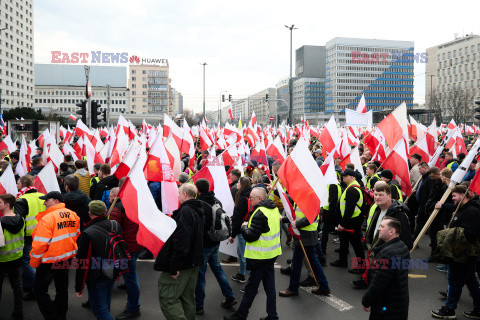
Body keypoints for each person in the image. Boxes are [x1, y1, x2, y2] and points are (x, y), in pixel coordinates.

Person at [224, 187, 281, 320]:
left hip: (260, 257)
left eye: (252, 198)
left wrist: (244, 227)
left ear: (260, 199)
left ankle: (241, 315)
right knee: (269, 288)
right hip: (271, 254)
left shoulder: (260, 212)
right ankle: (272, 316)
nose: (249, 200)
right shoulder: (274, 209)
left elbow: (251, 236)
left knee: (251, 288)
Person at [154, 184, 205, 320]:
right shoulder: (197, 209)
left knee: (168, 297)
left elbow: (182, 242)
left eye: (179, 192)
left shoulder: (186, 211)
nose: (178, 195)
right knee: (186, 298)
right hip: (193, 262)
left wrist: (174, 266)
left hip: (183, 264)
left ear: (185, 194)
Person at [431, 185, 480, 319]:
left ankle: (449, 309)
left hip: (463, 255)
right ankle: (479, 309)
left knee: (454, 282)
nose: (453, 198)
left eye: (455, 196)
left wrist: (452, 231)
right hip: (463, 254)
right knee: (471, 282)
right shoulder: (463, 209)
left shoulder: (472, 211)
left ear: (465, 195)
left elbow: (471, 234)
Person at [353, 182, 413, 289]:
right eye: (375, 194)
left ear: (389, 196)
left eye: (381, 195)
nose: (377, 197)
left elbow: (407, 241)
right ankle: (367, 281)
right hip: (375, 248)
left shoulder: (398, 214)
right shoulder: (378, 208)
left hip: (387, 254)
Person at [30, 191, 80, 320]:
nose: (44, 202)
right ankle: (61, 315)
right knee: (62, 289)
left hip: (49, 261)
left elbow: (39, 245)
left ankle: (53, 317)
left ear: (56, 201)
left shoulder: (47, 218)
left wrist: (34, 263)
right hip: (66, 258)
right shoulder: (73, 214)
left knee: (39, 291)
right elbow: (76, 235)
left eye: (47, 200)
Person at [194, 179, 237, 315]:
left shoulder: (200, 204)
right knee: (218, 270)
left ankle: (199, 305)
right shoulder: (216, 200)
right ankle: (229, 296)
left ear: (198, 190)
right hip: (215, 241)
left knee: (200, 275)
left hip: (205, 244)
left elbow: (201, 226)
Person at [75, 201, 122, 320]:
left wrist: (79, 286)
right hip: (113, 269)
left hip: (97, 275)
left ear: (90, 213)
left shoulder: (87, 233)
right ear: (105, 211)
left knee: (99, 309)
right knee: (105, 304)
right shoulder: (115, 224)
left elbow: (82, 262)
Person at [361, 217, 410, 320]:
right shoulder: (402, 247)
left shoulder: (387, 254)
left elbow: (379, 283)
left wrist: (366, 300)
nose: (378, 228)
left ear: (391, 231)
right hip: (399, 303)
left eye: (382, 226)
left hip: (385, 307)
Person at [279, 204, 331, 297]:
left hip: (305, 234)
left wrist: (296, 224)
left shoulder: (311, 199)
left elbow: (310, 217)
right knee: (312, 261)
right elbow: (297, 215)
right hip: (304, 234)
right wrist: (284, 219)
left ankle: (293, 288)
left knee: (297, 263)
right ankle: (324, 286)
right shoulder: (304, 198)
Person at [109, 187, 143, 320]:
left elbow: (113, 231)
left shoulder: (118, 208)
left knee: (130, 278)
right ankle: (133, 305)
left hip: (125, 248)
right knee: (129, 276)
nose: (109, 199)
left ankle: (133, 308)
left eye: (111, 197)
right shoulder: (137, 202)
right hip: (136, 244)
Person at [14, 174, 45, 301]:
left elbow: (18, 220)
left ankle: (35, 289)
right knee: (36, 261)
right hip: (41, 233)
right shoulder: (41, 196)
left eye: (17, 183)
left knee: (28, 262)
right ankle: (28, 285)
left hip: (28, 236)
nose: (16, 185)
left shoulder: (22, 199)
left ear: (22, 184)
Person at [331, 169, 366, 273]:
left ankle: (361, 267)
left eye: (345, 176)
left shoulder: (353, 189)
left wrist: (343, 224)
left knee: (356, 245)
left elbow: (349, 209)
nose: (343, 177)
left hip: (352, 222)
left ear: (352, 177)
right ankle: (342, 261)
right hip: (350, 221)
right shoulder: (351, 187)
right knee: (344, 242)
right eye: (343, 176)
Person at [0, 194, 25, 319]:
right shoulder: (21, 219)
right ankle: (18, 310)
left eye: (0, 202)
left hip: (2, 259)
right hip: (17, 256)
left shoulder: (1, 222)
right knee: (17, 285)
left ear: (7, 204)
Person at [229, 176, 253, 283]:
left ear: (242, 185)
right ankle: (241, 274)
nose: (237, 184)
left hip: (242, 229)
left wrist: (233, 235)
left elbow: (238, 218)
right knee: (241, 253)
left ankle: (251, 283)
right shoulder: (250, 195)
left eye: (239, 182)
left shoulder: (242, 198)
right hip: (248, 227)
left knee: (244, 256)